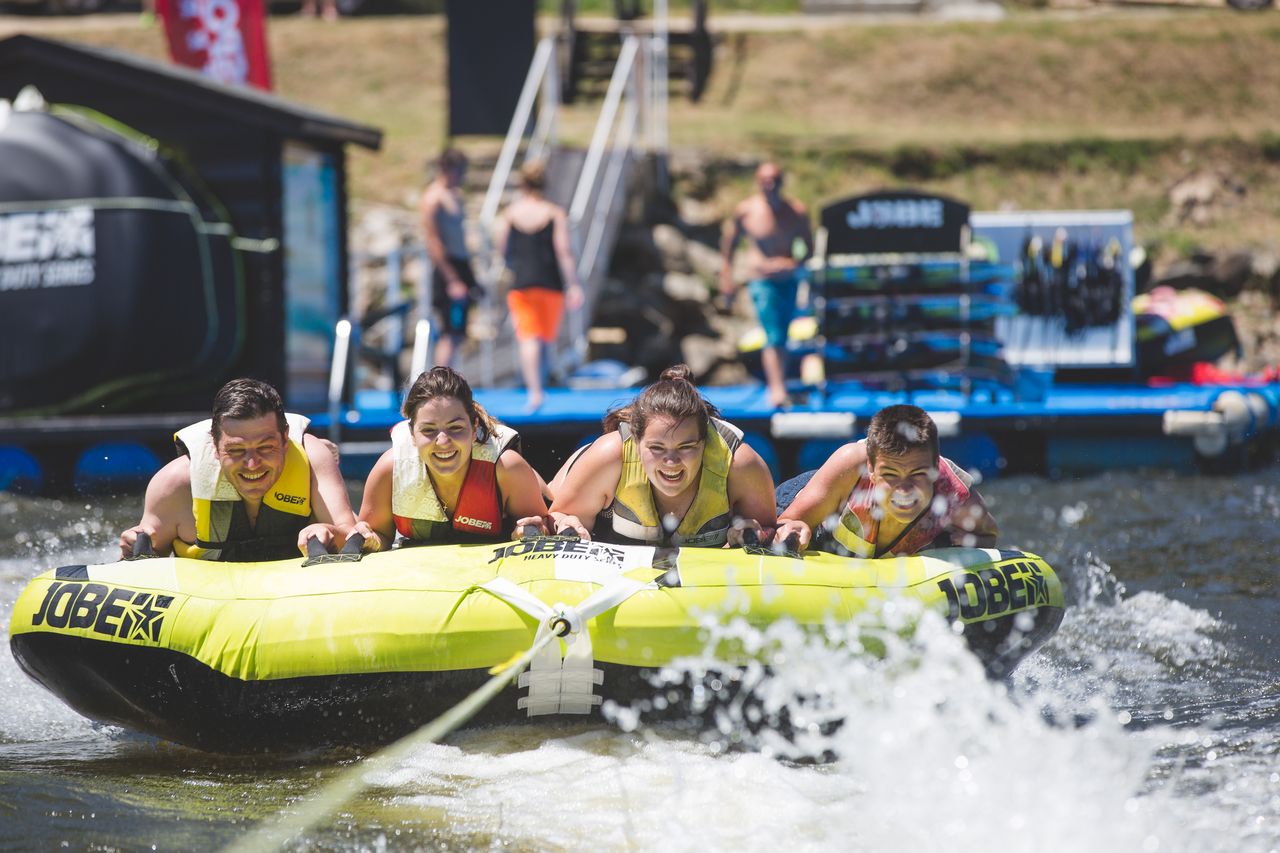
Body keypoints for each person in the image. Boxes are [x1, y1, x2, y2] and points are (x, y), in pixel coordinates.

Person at [118, 379, 357, 561]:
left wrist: (329, 531)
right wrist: (133, 549)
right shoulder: (174, 485)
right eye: (236, 450)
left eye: (265, 447)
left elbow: (350, 534)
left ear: (285, 439)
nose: (252, 464)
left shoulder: (313, 460)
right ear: (214, 446)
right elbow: (144, 571)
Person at [548, 364, 776, 546]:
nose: (671, 461)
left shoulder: (739, 464)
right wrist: (566, 523)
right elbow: (556, 517)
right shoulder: (608, 456)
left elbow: (769, 530)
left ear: (704, 443)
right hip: (571, 484)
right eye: (657, 448)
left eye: (686, 447)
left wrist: (745, 538)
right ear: (637, 442)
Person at [353, 366, 551, 550]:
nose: (442, 441)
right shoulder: (390, 471)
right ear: (412, 434)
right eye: (428, 430)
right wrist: (371, 540)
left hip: (541, 493)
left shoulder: (507, 468)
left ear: (474, 428)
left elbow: (544, 529)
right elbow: (378, 534)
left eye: (455, 428)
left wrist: (530, 530)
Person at [774, 404, 997, 557]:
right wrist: (792, 531)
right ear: (871, 471)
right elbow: (787, 521)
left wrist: (967, 543)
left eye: (918, 474)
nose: (904, 490)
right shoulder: (851, 465)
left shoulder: (954, 495)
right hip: (820, 497)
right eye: (890, 475)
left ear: (934, 471)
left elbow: (988, 535)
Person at [720, 161, 814, 410]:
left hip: (787, 280)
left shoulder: (796, 212)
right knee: (772, 332)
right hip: (760, 281)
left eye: (774, 180)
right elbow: (729, 246)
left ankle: (780, 383)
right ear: (757, 182)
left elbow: (809, 248)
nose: (769, 186)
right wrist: (726, 279)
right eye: (764, 181)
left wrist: (791, 263)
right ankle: (777, 389)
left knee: (783, 333)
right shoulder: (746, 211)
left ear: (781, 182)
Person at [494, 160, 584, 411]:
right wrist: (573, 284)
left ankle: (535, 390)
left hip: (522, 282)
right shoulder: (555, 213)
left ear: (522, 184)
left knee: (528, 337)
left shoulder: (511, 213)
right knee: (544, 338)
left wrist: (511, 264)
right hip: (550, 283)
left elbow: (502, 248)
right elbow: (564, 251)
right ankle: (539, 388)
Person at [420, 148, 482, 369]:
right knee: (450, 332)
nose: (462, 176)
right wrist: (452, 279)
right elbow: (433, 242)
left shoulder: (455, 195)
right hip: (448, 270)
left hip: (461, 266)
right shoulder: (433, 198)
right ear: (447, 169)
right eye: (460, 170)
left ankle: (450, 377)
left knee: (458, 333)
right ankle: (441, 380)